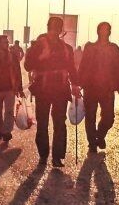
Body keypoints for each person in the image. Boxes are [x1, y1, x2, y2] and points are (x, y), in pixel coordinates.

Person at [25, 16, 79, 167]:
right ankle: (43, 155)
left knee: (60, 123)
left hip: (61, 88)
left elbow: (72, 68)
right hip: (43, 88)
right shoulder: (38, 46)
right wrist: (42, 56)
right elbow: (28, 66)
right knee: (42, 123)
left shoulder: (66, 49)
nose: (55, 30)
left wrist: (75, 85)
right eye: (53, 26)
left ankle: (57, 157)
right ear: (48, 27)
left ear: (61, 29)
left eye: (58, 27)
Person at [77, 22, 119, 155]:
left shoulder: (114, 48)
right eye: (102, 29)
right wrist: (77, 84)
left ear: (110, 32)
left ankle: (100, 136)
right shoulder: (90, 47)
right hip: (91, 87)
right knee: (90, 117)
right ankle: (92, 143)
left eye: (107, 30)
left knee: (109, 118)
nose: (105, 32)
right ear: (98, 31)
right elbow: (83, 66)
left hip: (107, 88)